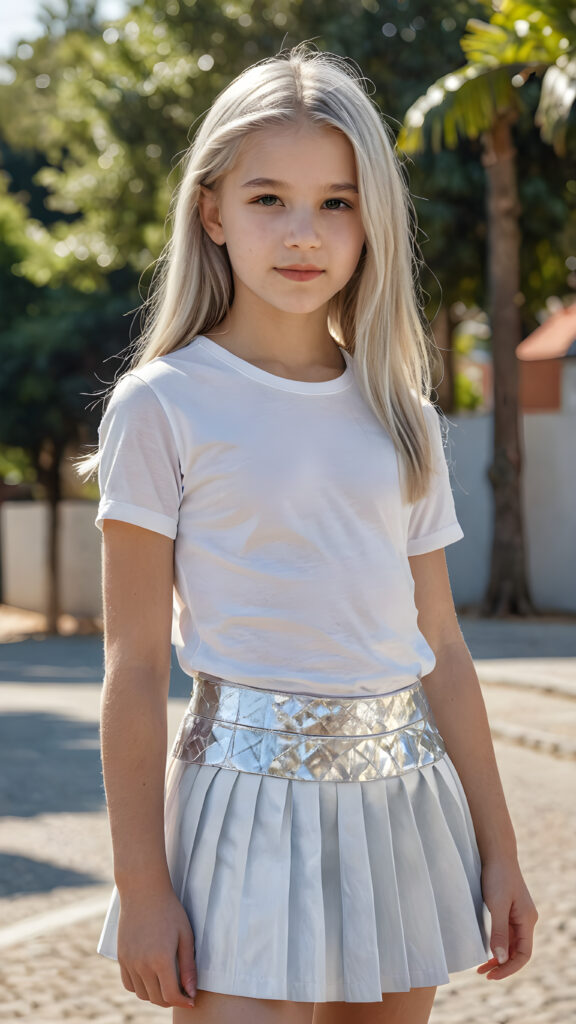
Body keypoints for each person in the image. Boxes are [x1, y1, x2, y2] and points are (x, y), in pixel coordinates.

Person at [77, 44, 537, 1024]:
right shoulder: (162, 405)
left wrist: (500, 849)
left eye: (337, 201)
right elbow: (129, 670)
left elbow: (443, 649)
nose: (304, 233)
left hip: (402, 804)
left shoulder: (401, 411)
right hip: (238, 808)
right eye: (268, 198)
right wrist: (144, 887)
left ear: (372, 217)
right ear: (212, 211)